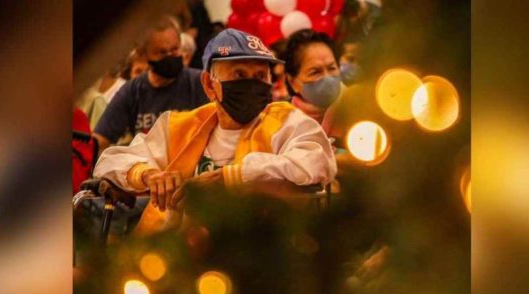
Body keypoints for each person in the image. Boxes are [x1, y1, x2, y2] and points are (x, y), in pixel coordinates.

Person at [93, 28, 337, 234]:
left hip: (256, 253)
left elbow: (318, 161)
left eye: (260, 75)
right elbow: (109, 160)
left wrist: (233, 177)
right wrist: (147, 175)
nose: (251, 83)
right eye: (239, 74)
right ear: (210, 84)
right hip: (175, 260)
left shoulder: (286, 121)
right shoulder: (181, 125)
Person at [93, 17, 209, 152]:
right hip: (147, 168)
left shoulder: (200, 82)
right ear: (145, 55)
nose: (170, 56)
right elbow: (99, 140)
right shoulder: (132, 91)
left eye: (174, 49)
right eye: (162, 52)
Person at [284, 29, 343, 137]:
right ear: (293, 82)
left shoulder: (357, 107)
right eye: (315, 72)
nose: (328, 78)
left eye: (332, 68)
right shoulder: (283, 125)